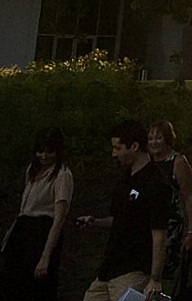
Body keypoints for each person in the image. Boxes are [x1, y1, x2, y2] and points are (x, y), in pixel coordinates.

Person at [77, 119, 171, 301]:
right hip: (109, 268)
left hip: (133, 270)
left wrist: (155, 278)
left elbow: (159, 234)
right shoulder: (125, 180)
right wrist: (95, 222)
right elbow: (119, 218)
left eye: (118, 148)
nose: (114, 154)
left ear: (134, 146)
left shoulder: (156, 183)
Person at [0, 127, 73, 301]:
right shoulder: (32, 170)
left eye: (49, 152)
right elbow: (24, 209)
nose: (44, 156)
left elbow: (59, 218)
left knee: (36, 288)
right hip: (23, 231)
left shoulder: (62, 175)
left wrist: (45, 256)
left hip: (42, 233)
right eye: (40, 151)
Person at [147, 122, 192, 280]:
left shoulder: (177, 162)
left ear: (167, 139)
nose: (154, 142)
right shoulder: (147, 163)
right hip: (147, 223)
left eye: (158, 138)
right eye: (150, 138)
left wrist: (191, 231)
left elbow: (189, 196)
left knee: (162, 271)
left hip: (170, 224)